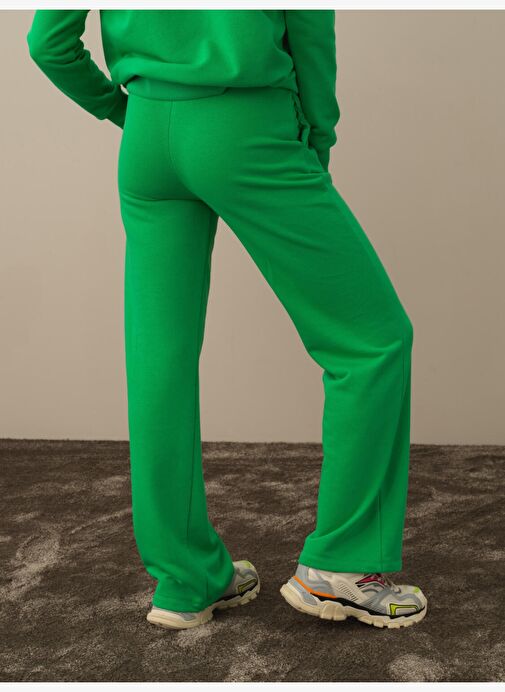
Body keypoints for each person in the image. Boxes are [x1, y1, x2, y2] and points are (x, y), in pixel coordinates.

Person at [27, 9, 428, 631]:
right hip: (247, 129)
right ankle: (342, 566)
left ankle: (184, 579)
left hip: (147, 136)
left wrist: (121, 109)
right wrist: (316, 138)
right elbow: (309, 29)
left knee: (159, 361)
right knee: (373, 340)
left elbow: (48, 42)